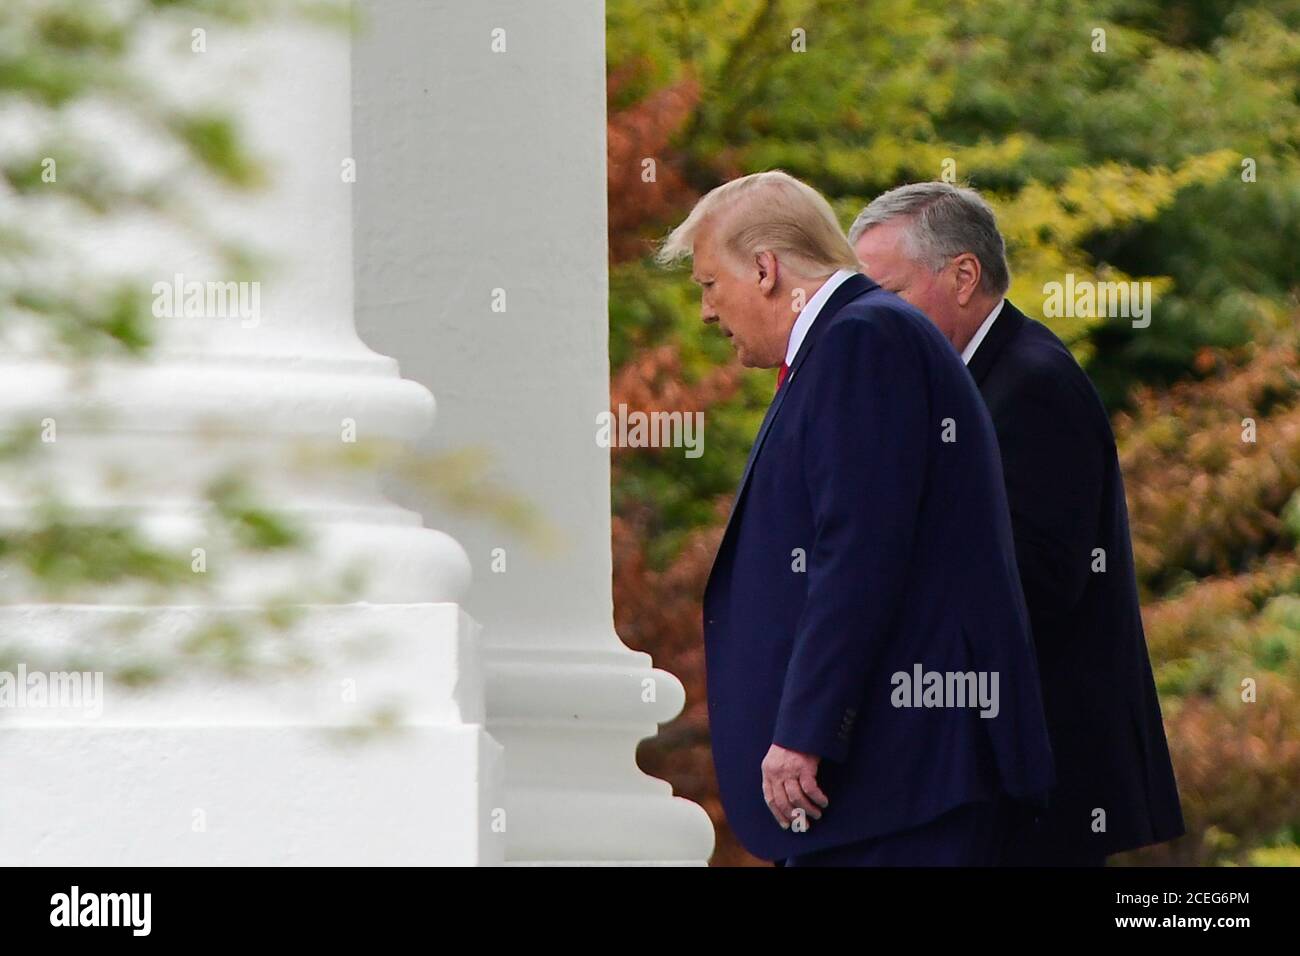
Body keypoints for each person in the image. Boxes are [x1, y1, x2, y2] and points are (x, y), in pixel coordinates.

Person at [658, 171, 1054, 866]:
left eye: (708, 285)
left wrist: (806, 731)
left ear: (764, 268)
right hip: (889, 786)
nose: (706, 313)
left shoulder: (862, 340)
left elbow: (860, 550)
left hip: (897, 786)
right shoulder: (857, 339)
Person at [850, 181, 1185, 865]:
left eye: (889, 293)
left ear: (963, 276)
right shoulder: (969, 380)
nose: (875, 320)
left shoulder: (1032, 383)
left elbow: (1035, 582)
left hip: (1039, 778)